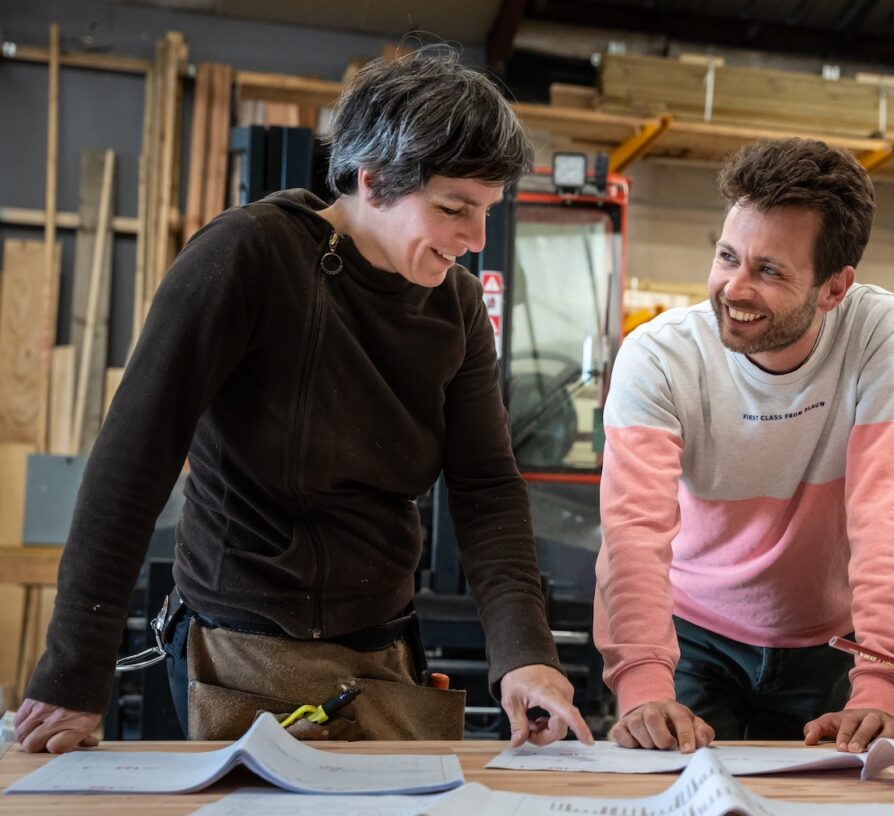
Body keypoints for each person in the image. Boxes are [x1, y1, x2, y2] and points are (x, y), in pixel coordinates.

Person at [15, 47, 591, 753]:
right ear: (373, 181)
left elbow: (487, 489)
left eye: (486, 211)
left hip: (384, 652)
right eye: (453, 209)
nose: (473, 241)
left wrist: (525, 654)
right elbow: (133, 461)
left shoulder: (459, 309)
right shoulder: (247, 256)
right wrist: (74, 676)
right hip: (243, 652)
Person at [594, 138, 894, 754]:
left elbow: (891, 517)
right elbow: (633, 532)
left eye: (769, 270)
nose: (734, 287)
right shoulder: (659, 356)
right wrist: (642, 682)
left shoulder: (879, 335)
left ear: (835, 289)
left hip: (831, 644)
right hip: (693, 636)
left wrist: (884, 681)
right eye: (728, 256)